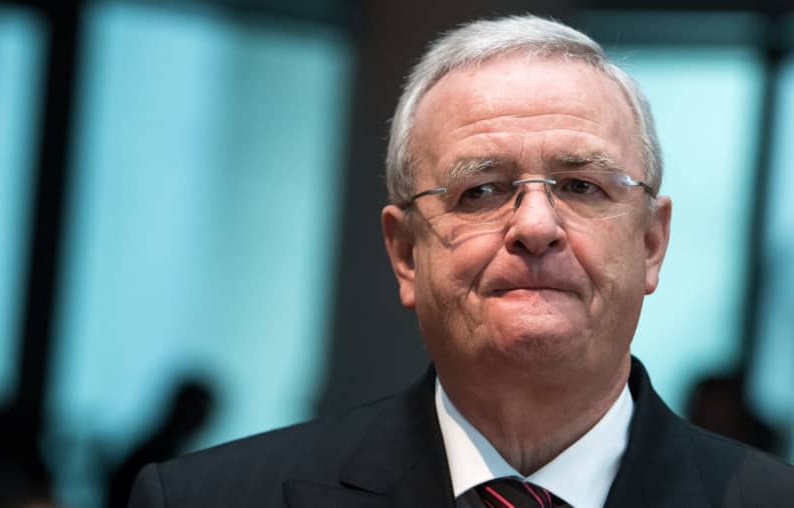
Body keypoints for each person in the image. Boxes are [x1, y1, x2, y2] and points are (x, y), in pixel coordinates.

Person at [128, 14, 794, 507]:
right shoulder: (206, 498)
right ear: (405, 254)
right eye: (482, 191)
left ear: (651, 243)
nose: (535, 227)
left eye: (581, 186)